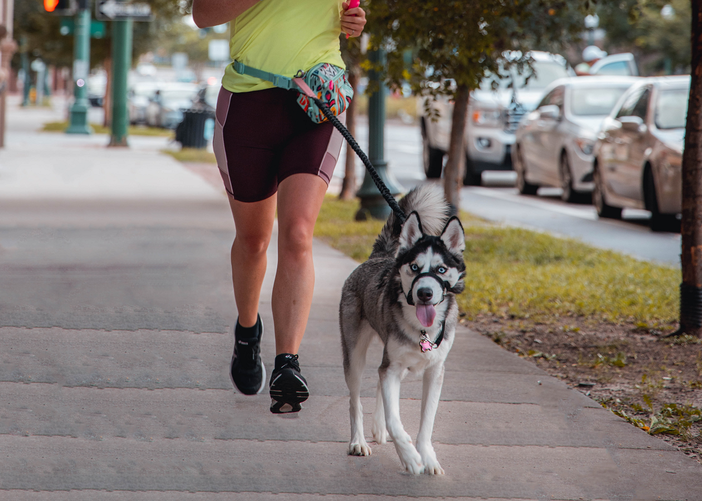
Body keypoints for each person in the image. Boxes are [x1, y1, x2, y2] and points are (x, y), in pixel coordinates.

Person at [191, 0, 366, 414]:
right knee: (254, 240)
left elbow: (347, 16)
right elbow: (203, 14)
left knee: (298, 233)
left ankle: (288, 362)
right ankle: (248, 331)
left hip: (316, 99)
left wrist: (355, 21)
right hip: (248, 101)